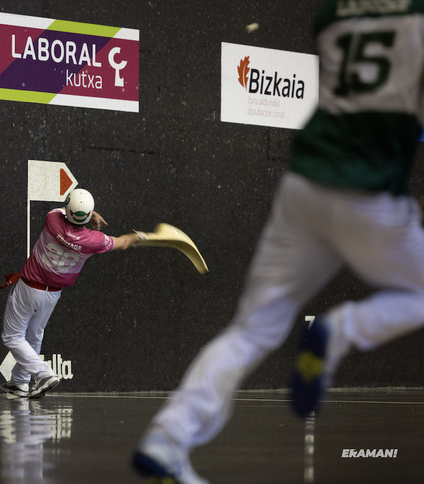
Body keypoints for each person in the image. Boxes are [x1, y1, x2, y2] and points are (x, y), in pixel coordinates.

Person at [133, 1, 424, 482]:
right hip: (368, 196)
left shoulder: (331, 14)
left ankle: (167, 436)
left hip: (304, 189)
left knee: (250, 330)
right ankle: (338, 333)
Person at [0, 188, 143, 399]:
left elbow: (66, 210)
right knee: (34, 335)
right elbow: (122, 243)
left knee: (12, 336)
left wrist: (89, 213)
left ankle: (44, 374)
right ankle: (20, 382)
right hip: (52, 295)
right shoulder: (94, 240)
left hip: (29, 287)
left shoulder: (52, 219)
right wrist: (137, 235)